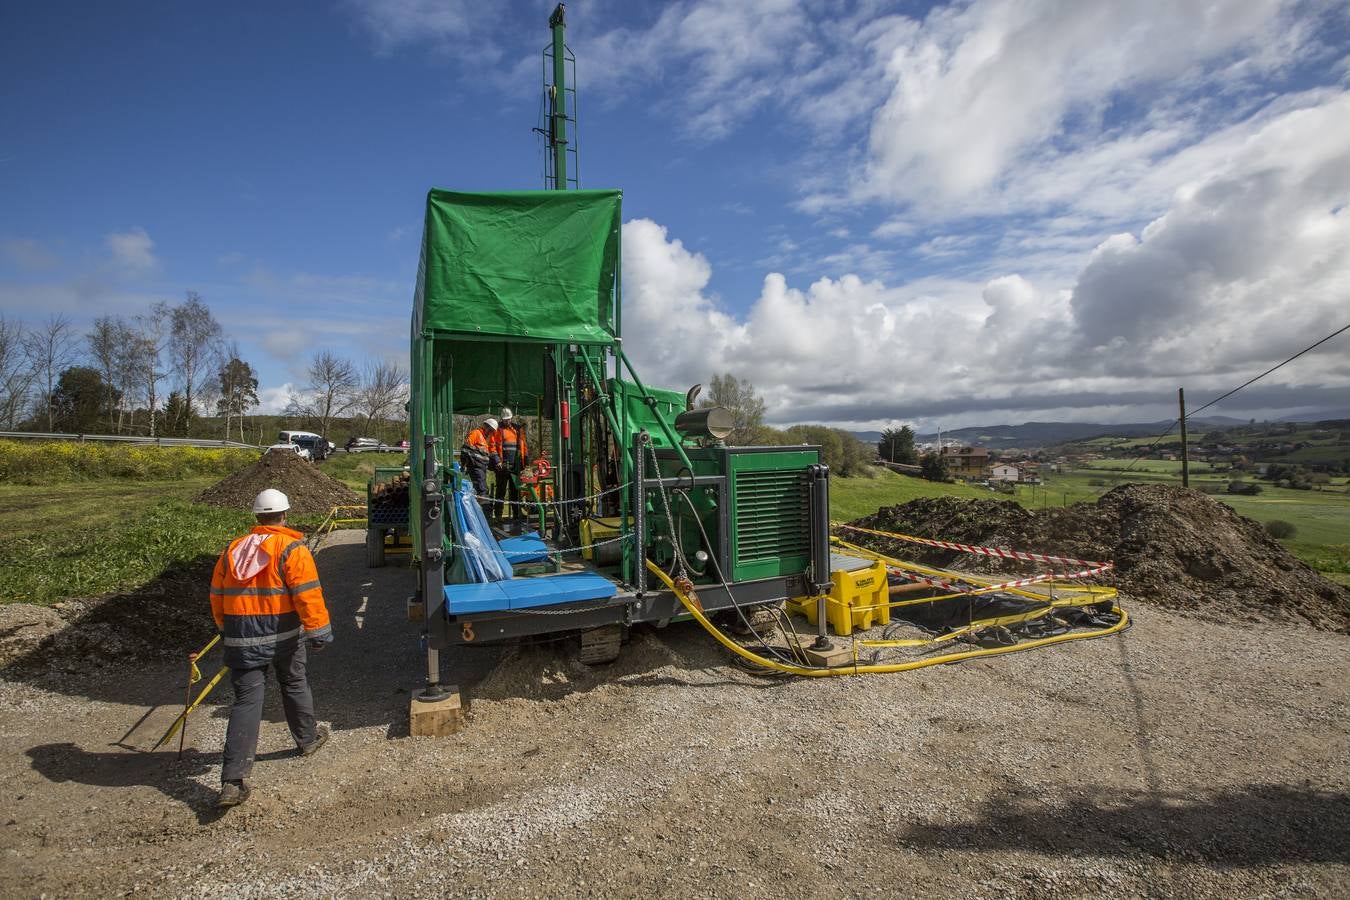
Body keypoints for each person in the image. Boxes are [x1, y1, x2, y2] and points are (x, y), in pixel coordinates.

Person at [209, 488, 333, 809]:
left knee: (247, 701)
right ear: (284, 515)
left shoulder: (232, 550)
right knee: (294, 683)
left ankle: (233, 781)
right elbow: (307, 593)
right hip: (284, 636)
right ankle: (306, 740)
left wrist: (226, 630)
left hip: (241, 638)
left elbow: (217, 595)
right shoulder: (292, 549)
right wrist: (319, 632)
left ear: (257, 517)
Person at [489, 407, 529, 529]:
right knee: (500, 491)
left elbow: (524, 446)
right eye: (505, 419)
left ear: (511, 418)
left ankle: (517, 514)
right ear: (502, 419)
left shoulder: (518, 430)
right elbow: (492, 446)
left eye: (508, 419)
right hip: (502, 466)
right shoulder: (498, 430)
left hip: (516, 466)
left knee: (515, 491)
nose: (507, 421)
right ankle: (499, 515)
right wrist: (497, 461)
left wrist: (525, 463)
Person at [460, 417, 499, 515]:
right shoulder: (476, 433)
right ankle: (485, 514)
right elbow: (465, 449)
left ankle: (483, 513)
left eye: (492, 431)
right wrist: (464, 464)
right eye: (490, 429)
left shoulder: (485, 440)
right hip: (475, 467)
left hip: (481, 468)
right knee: (482, 490)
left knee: (482, 489)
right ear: (485, 426)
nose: (490, 432)